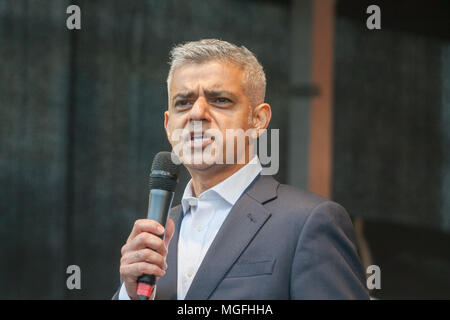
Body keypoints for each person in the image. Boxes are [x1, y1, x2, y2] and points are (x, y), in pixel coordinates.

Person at [114, 39, 369, 300]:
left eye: (220, 100)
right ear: (168, 125)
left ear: (258, 120)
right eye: (183, 102)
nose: (197, 113)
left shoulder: (308, 222)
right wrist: (129, 295)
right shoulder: (156, 235)